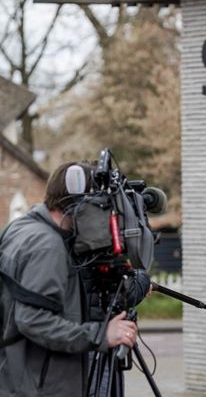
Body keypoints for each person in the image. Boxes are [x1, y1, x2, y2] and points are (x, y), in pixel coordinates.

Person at [0, 161, 138, 397]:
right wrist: (100, 335)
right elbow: (32, 319)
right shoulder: (47, 247)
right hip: (40, 387)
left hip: (18, 378)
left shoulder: (20, 227)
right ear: (82, 204)